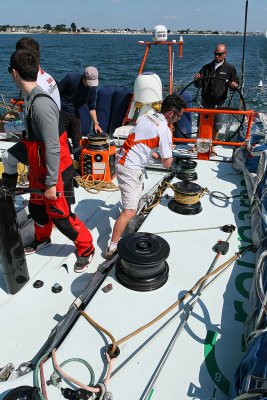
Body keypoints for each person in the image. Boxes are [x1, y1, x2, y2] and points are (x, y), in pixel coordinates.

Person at [7, 49, 95, 273]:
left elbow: (54, 146)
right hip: (39, 169)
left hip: (54, 173)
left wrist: (50, 183)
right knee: (37, 209)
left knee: (62, 216)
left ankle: (86, 248)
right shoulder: (29, 99)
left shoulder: (41, 104)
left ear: (14, 73)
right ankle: (42, 238)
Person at [105, 93, 186, 259]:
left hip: (122, 160)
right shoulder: (164, 130)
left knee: (136, 193)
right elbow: (167, 164)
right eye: (178, 116)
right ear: (170, 113)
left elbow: (143, 143)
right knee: (129, 210)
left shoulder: (147, 116)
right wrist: (169, 151)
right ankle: (112, 246)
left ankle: (128, 216)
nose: (178, 119)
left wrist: (159, 153)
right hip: (130, 169)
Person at [2, 37, 61, 185]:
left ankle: (7, 202)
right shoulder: (47, 78)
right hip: (53, 133)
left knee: (7, 158)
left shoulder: (35, 88)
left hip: (43, 143)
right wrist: (18, 115)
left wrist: (5, 127)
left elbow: (32, 122)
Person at [193, 43, 239, 154]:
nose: (216, 56)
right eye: (215, 54)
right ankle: (197, 145)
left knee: (216, 125)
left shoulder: (230, 68)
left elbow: (235, 84)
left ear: (225, 54)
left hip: (219, 102)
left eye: (219, 54)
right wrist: (197, 79)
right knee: (202, 124)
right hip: (206, 101)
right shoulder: (206, 67)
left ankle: (211, 146)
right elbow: (198, 85)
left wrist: (234, 84)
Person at [58, 67, 103, 172]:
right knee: (61, 141)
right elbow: (56, 92)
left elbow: (91, 106)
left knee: (77, 141)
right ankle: (62, 167)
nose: (91, 85)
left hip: (75, 114)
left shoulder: (92, 88)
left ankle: (77, 167)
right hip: (62, 112)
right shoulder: (71, 79)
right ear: (84, 77)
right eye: (89, 82)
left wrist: (96, 123)